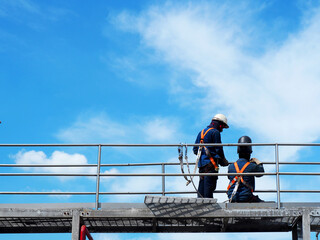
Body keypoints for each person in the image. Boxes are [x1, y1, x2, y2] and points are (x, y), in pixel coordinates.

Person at [193, 113, 229, 198]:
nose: (222, 129)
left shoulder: (201, 132)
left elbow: (195, 150)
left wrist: (203, 155)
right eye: (223, 127)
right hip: (211, 167)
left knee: (201, 192)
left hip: (202, 168)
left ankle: (200, 208)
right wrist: (223, 161)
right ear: (220, 124)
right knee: (209, 191)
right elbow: (218, 150)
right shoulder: (215, 132)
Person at [227, 136, 264, 202]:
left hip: (232, 197)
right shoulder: (251, 166)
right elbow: (261, 173)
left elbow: (229, 177)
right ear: (249, 152)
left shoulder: (231, 166)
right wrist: (258, 163)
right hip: (246, 197)